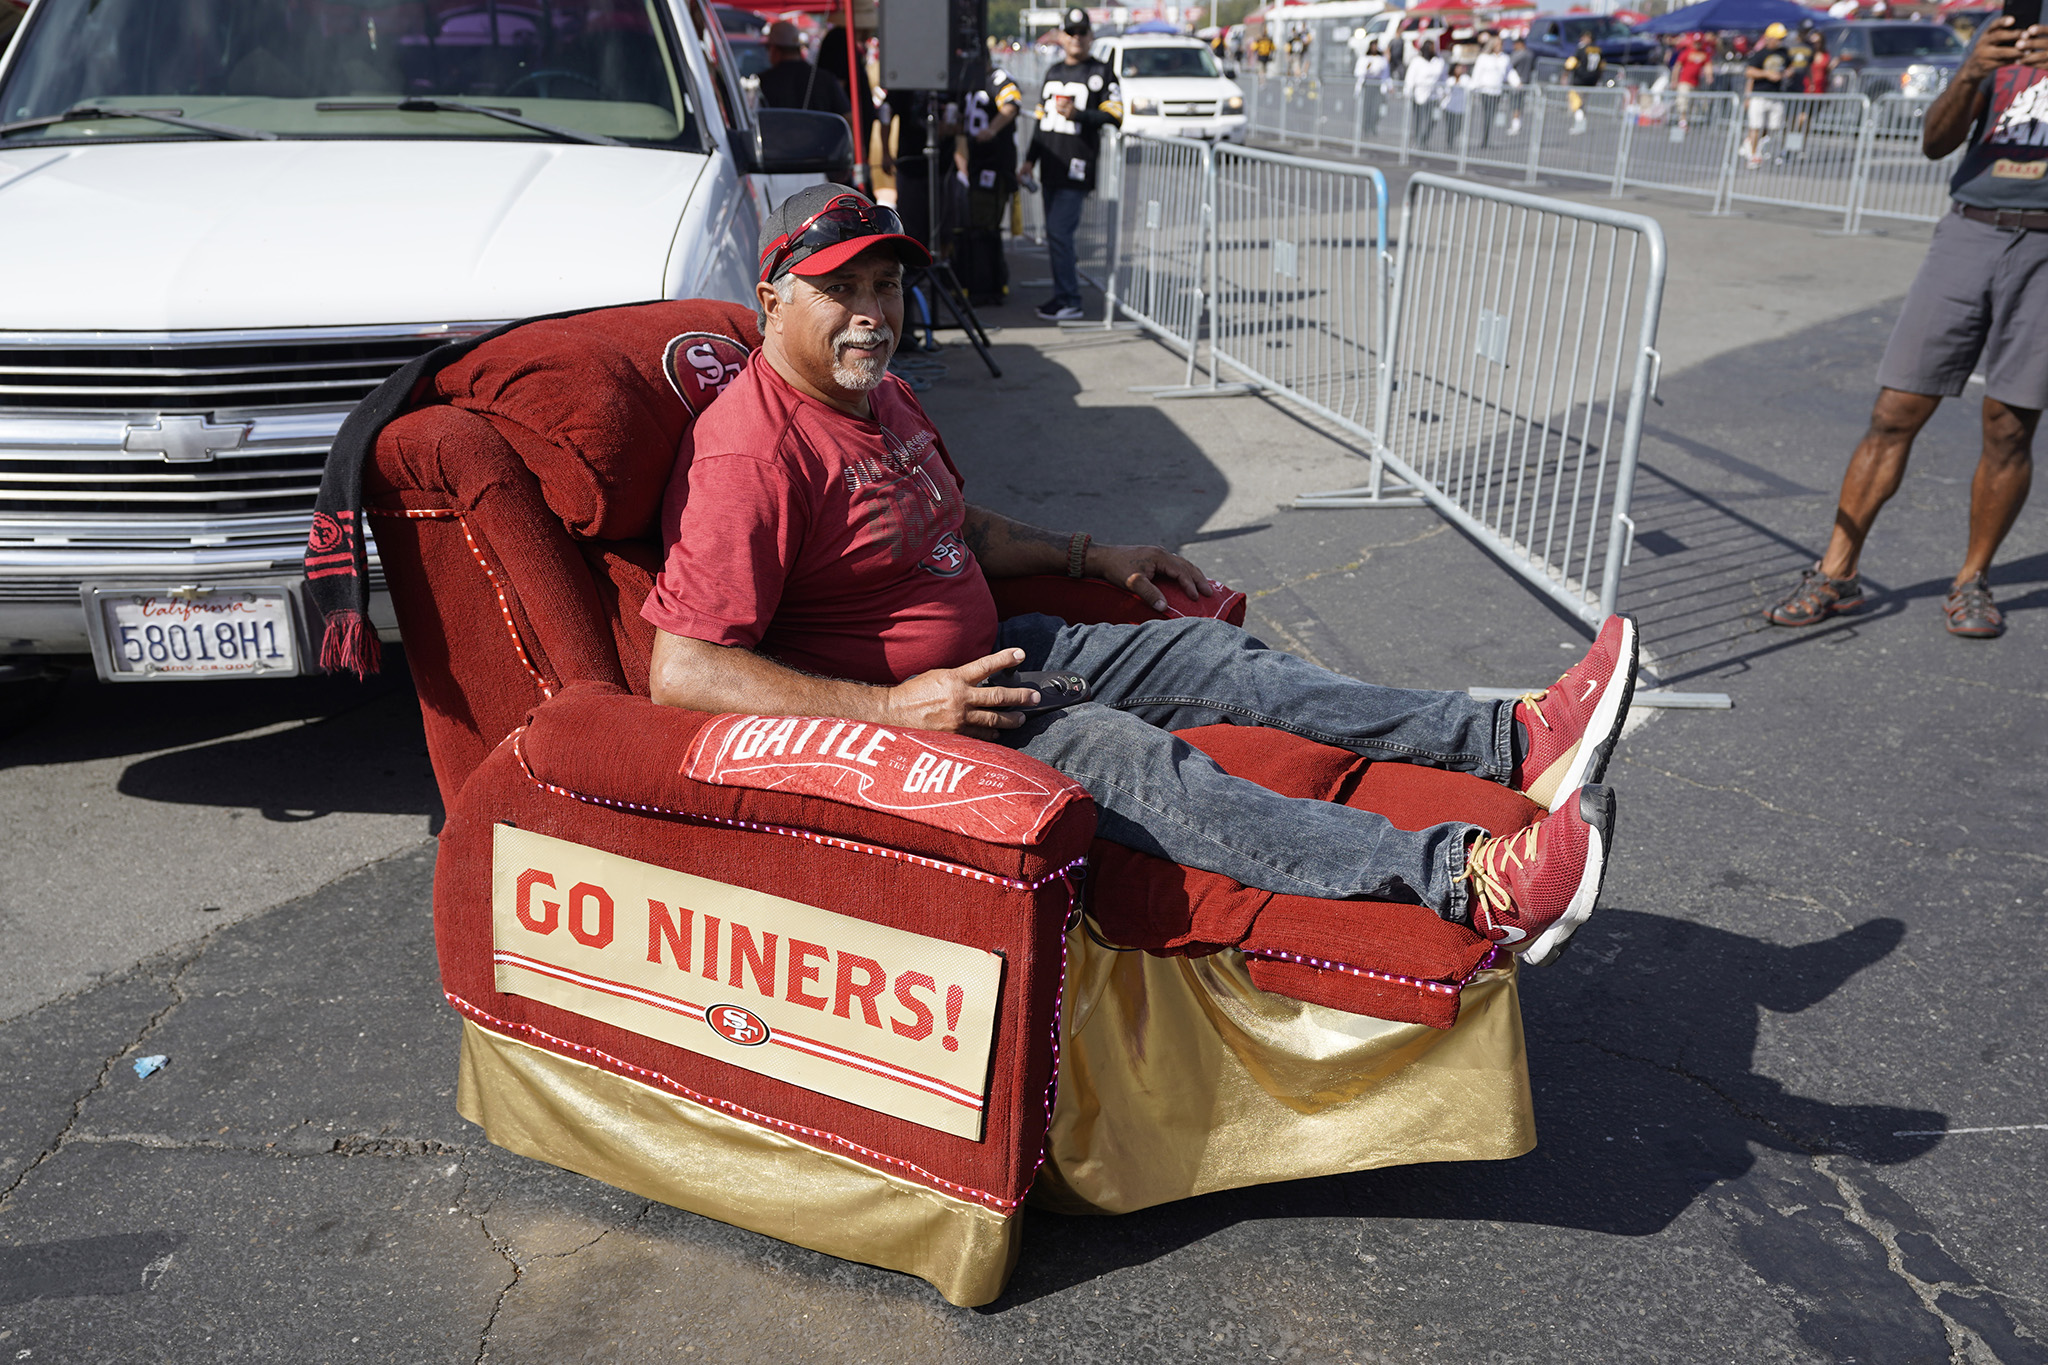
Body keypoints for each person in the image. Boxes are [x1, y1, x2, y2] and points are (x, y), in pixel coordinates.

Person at [644, 184, 1639, 965]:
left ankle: (1510, 738)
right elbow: (681, 670)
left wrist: (1090, 557)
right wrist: (900, 710)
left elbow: (954, 528)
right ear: (771, 300)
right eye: (840, 290)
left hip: (1008, 649)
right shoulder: (750, 452)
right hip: (942, 718)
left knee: (1219, 656)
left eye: (884, 288)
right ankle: (1476, 884)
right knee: (1153, 771)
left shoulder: (884, 396)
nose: (871, 315)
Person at [1767, 16, 2048, 639]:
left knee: (2009, 424)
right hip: (1969, 230)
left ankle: (1973, 579)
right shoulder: (1996, 39)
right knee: (1895, 410)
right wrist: (1972, 71)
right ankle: (1837, 572)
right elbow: (1934, 141)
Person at [1021, 8, 1123, 323]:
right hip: (1050, 165)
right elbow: (1041, 123)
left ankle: (1071, 299)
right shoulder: (1052, 72)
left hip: (1077, 165)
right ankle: (1063, 295)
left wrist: (1079, 114)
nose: (1077, 38)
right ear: (1062, 37)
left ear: (1091, 36)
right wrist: (1028, 160)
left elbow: (1115, 116)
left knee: (1059, 233)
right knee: (1055, 236)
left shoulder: (1102, 72)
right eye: (1072, 32)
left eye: (1083, 32)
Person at [956, 61, 1023, 307]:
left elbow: (1012, 104)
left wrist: (992, 130)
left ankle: (988, 286)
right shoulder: (965, 80)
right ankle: (972, 283)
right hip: (971, 166)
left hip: (994, 165)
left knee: (985, 226)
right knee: (969, 225)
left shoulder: (998, 78)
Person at [756, 20, 852, 118]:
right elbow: (848, 117)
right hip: (820, 133)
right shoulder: (825, 78)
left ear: (774, 49)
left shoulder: (763, 81)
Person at [1744, 22, 1792, 167]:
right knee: (1756, 126)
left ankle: (1766, 150)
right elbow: (1749, 72)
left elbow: (1791, 68)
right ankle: (1753, 155)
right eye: (1778, 38)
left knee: (1775, 127)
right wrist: (1767, 74)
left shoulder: (1784, 53)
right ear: (1769, 38)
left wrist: (1784, 74)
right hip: (1759, 94)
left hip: (1776, 95)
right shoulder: (1760, 54)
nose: (1780, 41)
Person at [1469, 34, 1520, 148]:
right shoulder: (1483, 57)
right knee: (1487, 114)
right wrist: (1473, 86)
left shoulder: (1504, 58)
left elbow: (1509, 72)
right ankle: (1485, 139)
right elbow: (1477, 72)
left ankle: (1486, 138)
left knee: (1491, 115)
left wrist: (1516, 82)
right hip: (1485, 90)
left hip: (1497, 91)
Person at [1404, 38, 1446, 146]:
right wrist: (1408, 92)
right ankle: (1417, 139)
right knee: (1419, 120)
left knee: (1433, 119)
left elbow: (1442, 78)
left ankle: (1424, 139)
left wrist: (1443, 92)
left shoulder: (1438, 61)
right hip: (1419, 96)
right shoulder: (1417, 61)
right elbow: (1410, 78)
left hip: (1434, 96)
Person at [1563, 28, 1604, 135]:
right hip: (1592, 80)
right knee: (1583, 102)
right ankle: (1581, 124)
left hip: (1580, 80)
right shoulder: (1598, 50)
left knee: (1576, 102)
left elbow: (1571, 63)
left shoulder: (1581, 49)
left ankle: (1580, 124)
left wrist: (1565, 74)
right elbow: (1602, 66)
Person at [1672, 33, 1714, 126]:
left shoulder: (1704, 54)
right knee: (1683, 100)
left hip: (1696, 83)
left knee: (1693, 102)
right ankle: (1682, 120)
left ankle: (1689, 120)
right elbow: (1677, 66)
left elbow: (1708, 66)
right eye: (1696, 43)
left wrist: (1709, 76)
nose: (1697, 45)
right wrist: (1674, 80)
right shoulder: (1686, 52)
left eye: (1699, 43)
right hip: (1684, 81)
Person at [1509, 36, 1536, 134]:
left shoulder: (1519, 54)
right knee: (1520, 104)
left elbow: (1509, 65)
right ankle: (1517, 123)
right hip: (1526, 81)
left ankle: (1515, 125)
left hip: (1517, 82)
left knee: (1515, 104)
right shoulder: (1530, 54)